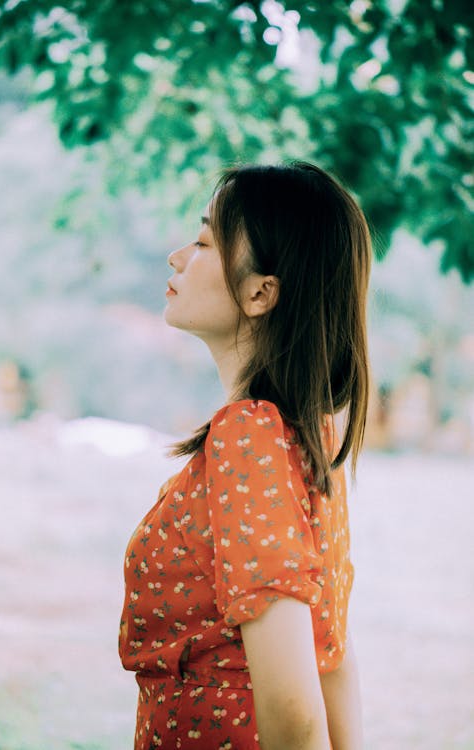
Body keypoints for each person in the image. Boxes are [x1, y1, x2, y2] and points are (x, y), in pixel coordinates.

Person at [119, 162, 370, 750]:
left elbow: (294, 707)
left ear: (261, 292)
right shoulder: (302, 436)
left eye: (205, 241)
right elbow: (330, 656)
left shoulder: (250, 437)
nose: (177, 256)